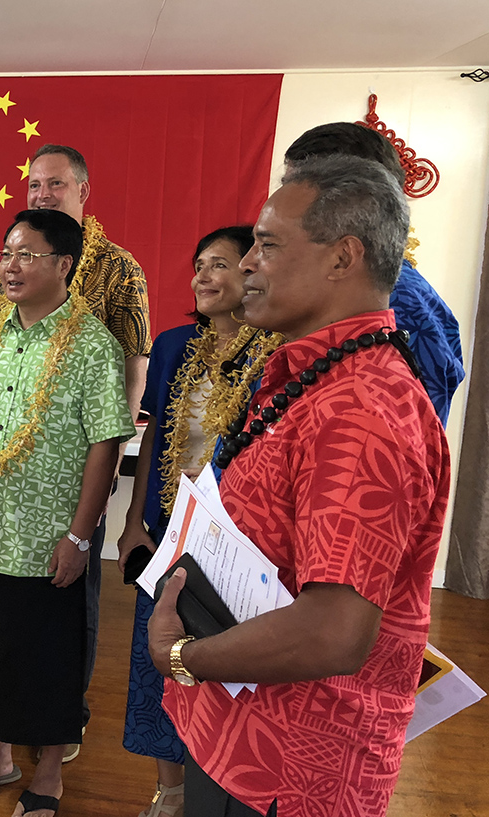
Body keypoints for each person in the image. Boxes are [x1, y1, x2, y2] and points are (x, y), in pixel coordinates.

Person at [150, 155, 451, 817]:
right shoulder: (310, 375)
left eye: (267, 244)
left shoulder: (362, 410)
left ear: (342, 257)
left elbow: (331, 633)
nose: (246, 262)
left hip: (285, 766)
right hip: (240, 734)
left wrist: (180, 655)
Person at [0, 209, 134, 817]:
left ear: (63, 265)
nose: (11, 266)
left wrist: (81, 538)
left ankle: (48, 772)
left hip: (48, 534)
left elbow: (107, 440)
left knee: (48, 657)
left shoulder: (93, 345)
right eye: (6, 254)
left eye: (27, 254)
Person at [0, 143, 153, 756]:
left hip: (79, 459)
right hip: (4, 469)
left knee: (66, 595)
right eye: (33, 185)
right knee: (2, 604)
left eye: (55, 184)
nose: (42, 194)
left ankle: (63, 712)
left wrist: (112, 462)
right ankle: (5, 710)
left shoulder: (116, 267)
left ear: (84, 191)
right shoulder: (4, 263)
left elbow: (134, 366)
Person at [116, 226, 282, 817]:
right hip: (168, 530)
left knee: (217, 666)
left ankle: (219, 788)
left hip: (237, 546)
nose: (204, 276)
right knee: (156, 662)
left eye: (221, 264)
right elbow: (156, 433)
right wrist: (135, 522)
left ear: (256, 270)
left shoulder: (277, 354)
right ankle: (171, 791)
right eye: (198, 265)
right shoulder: (172, 345)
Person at [284, 122, 464, 425]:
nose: (281, 202)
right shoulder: (322, 282)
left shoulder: (399, 299)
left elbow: (401, 432)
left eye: (294, 188)